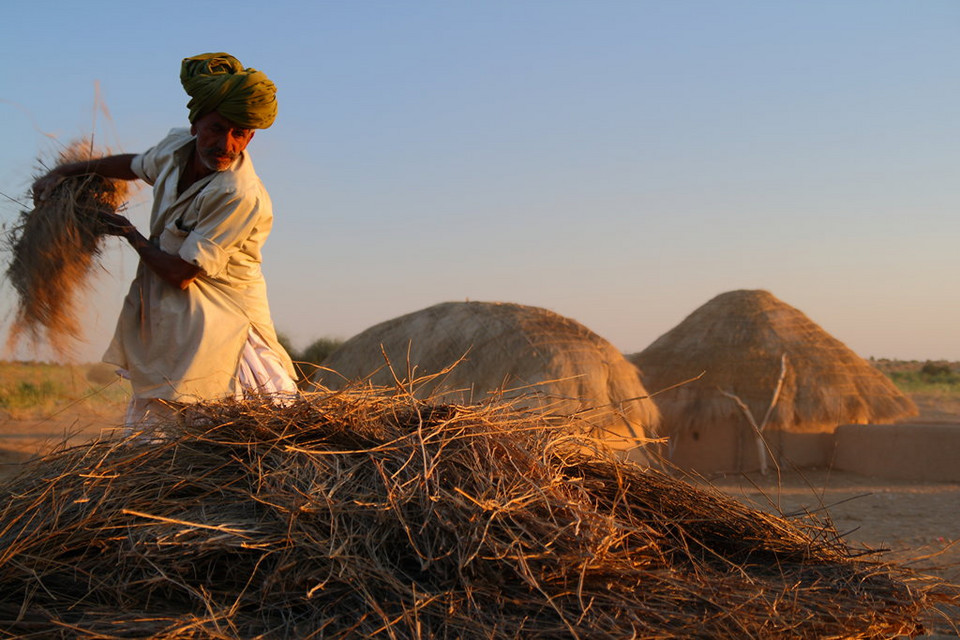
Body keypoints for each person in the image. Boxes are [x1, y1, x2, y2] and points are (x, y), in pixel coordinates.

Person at [32, 52, 298, 429]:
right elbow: (136, 165)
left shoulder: (239, 194)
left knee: (237, 431)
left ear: (251, 136)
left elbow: (183, 274)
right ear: (194, 127)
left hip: (222, 317)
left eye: (239, 134)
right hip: (170, 311)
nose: (226, 143)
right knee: (162, 432)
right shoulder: (176, 150)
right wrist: (68, 170)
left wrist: (129, 233)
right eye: (216, 128)